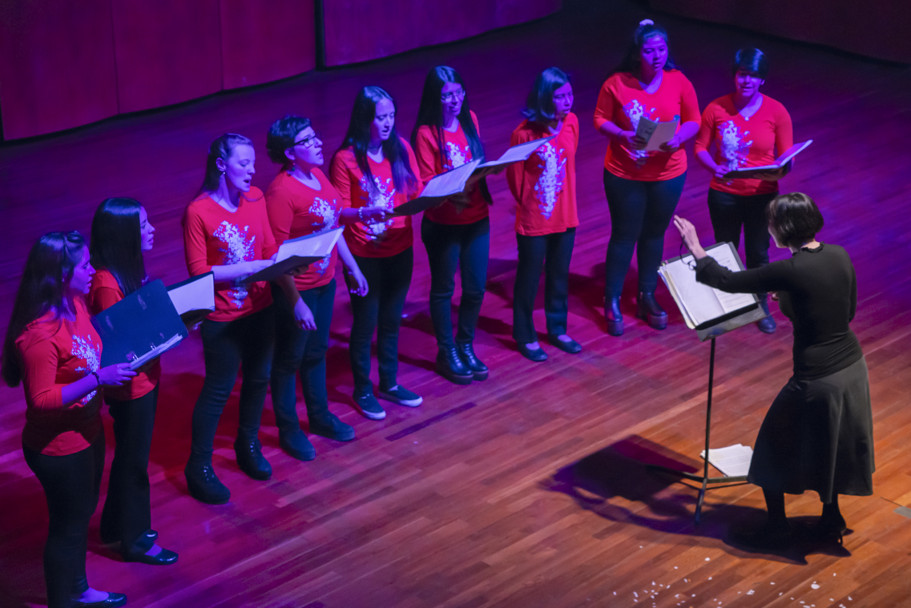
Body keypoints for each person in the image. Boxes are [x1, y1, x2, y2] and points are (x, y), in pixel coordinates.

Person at [674, 193, 873, 548]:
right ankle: (831, 517)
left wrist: (696, 249)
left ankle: (778, 527)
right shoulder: (838, 254)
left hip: (817, 377)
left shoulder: (790, 270)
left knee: (771, 449)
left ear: (782, 229)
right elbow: (846, 312)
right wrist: (796, 300)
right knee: (832, 445)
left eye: (771, 224)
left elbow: (728, 281)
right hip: (853, 368)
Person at [2, 231, 134, 608]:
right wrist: (97, 380)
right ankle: (65, 599)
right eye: (86, 265)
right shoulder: (39, 335)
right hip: (58, 448)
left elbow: (93, 349)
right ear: (62, 273)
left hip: (87, 432)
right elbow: (41, 400)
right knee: (67, 527)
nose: (93, 269)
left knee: (78, 519)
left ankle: (78, 589)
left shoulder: (75, 303)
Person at [264, 115, 369, 461]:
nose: (318, 144)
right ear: (290, 153)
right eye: (308, 141)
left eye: (315, 137)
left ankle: (320, 416)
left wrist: (353, 267)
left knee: (317, 351)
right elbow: (275, 255)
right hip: (299, 289)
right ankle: (289, 428)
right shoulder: (281, 191)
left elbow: (334, 224)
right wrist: (295, 301)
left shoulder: (319, 176)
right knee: (289, 359)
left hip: (325, 282)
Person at [182, 133, 277, 504]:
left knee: (258, 381)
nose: (252, 171)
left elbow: (269, 249)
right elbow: (198, 272)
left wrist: (281, 267)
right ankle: (199, 466)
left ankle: (247, 444)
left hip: (261, 307)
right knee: (218, 390)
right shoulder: (198, 211)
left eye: (253, 163)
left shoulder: (256, 198)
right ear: (221, 165)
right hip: (223, 317)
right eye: (243, 163)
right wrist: (250, 266)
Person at [593, 19, 700, 336]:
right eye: (650, 50)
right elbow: (600, 119)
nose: (657, 55)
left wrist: (679, 137)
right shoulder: (617, 83)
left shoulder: (679, 80)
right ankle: (611, 299)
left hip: (668, 172)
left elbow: (694, 120)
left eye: (661, 49)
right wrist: (621, 134)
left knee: (654, 234)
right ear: (638, 52)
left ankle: (647, 295)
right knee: (624, 235)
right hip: (625, 172)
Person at [87, 198, 177, 565]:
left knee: (129, 457)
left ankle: (114, 528)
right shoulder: (107, 283)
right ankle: (136, 540)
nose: (152, 229)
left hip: (146, 381)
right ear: (124, 235)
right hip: (131, 388)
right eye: (143, 225)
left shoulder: (125, 270)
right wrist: (173, 329)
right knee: (134, 463)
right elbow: (122, 345)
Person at [329, 86, 423, 420]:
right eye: (380, 117)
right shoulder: (345, 159)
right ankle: (362, 389)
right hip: (364, 253)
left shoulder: (402, 150)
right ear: (365, 118)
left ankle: (390, 383)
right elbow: (338, 211)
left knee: (391, 321)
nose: (387, 123)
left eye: (391, 116)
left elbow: (417, 191)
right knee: (365, 324)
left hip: (400, 248)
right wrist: (366, 213)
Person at [694, 48, 793, 334]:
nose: (746, 81)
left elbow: (787, 155)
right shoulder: (716, 108)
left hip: (762, 195)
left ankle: (759, 306)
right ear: (735, 76)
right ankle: (727, 305)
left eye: (753, 76)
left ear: (762, 80)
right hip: (724, 193)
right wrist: (714, 166)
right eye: (742, 74)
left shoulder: (776, 111)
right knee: (725, 251)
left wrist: (783, 168)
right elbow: (700, 147)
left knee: (758, 253)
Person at [412, 66, 492, 383]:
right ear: (436, 97)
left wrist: (487, 173)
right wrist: (454, 194)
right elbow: (428, 182)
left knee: (475, 289)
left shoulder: (470, 119)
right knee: (444, 289)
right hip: (443, 223)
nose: (454, 100)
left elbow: (477, 162)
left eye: (458, 93)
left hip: (476, 217)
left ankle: (465, 345)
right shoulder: (426, 133)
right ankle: (447, 352)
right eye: (447, 95)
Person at [506, 67, 581, 362]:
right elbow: (515, 179)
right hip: (535, 218)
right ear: (544, 98)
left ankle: (557, 328)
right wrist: (534, 204)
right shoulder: (523, 134)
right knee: (529, 277)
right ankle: (524, 334)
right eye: (560, 96)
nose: (567, 101)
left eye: (569, 95)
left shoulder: (572, 123)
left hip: (566, 215)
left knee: (559, 274)